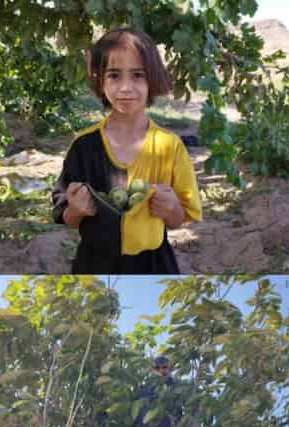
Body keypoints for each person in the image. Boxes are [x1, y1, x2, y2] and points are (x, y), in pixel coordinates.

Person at [52, 28, 202, 274]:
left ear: (152, 79)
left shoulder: (169, 146)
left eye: (137, 75)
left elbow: (177, 220)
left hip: (154, 265)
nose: (125, 87)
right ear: (99, 80)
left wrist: (172, 207)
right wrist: (76, 210)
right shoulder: (83, 146)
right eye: (113, 75)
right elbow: (68, 218)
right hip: (93, 264)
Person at [134, 355, 182, 427]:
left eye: (164, 367)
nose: (161, 370)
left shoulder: (178, 387)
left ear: (170, 369)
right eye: (157, 368)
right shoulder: (144, 389)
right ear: (152, 370)